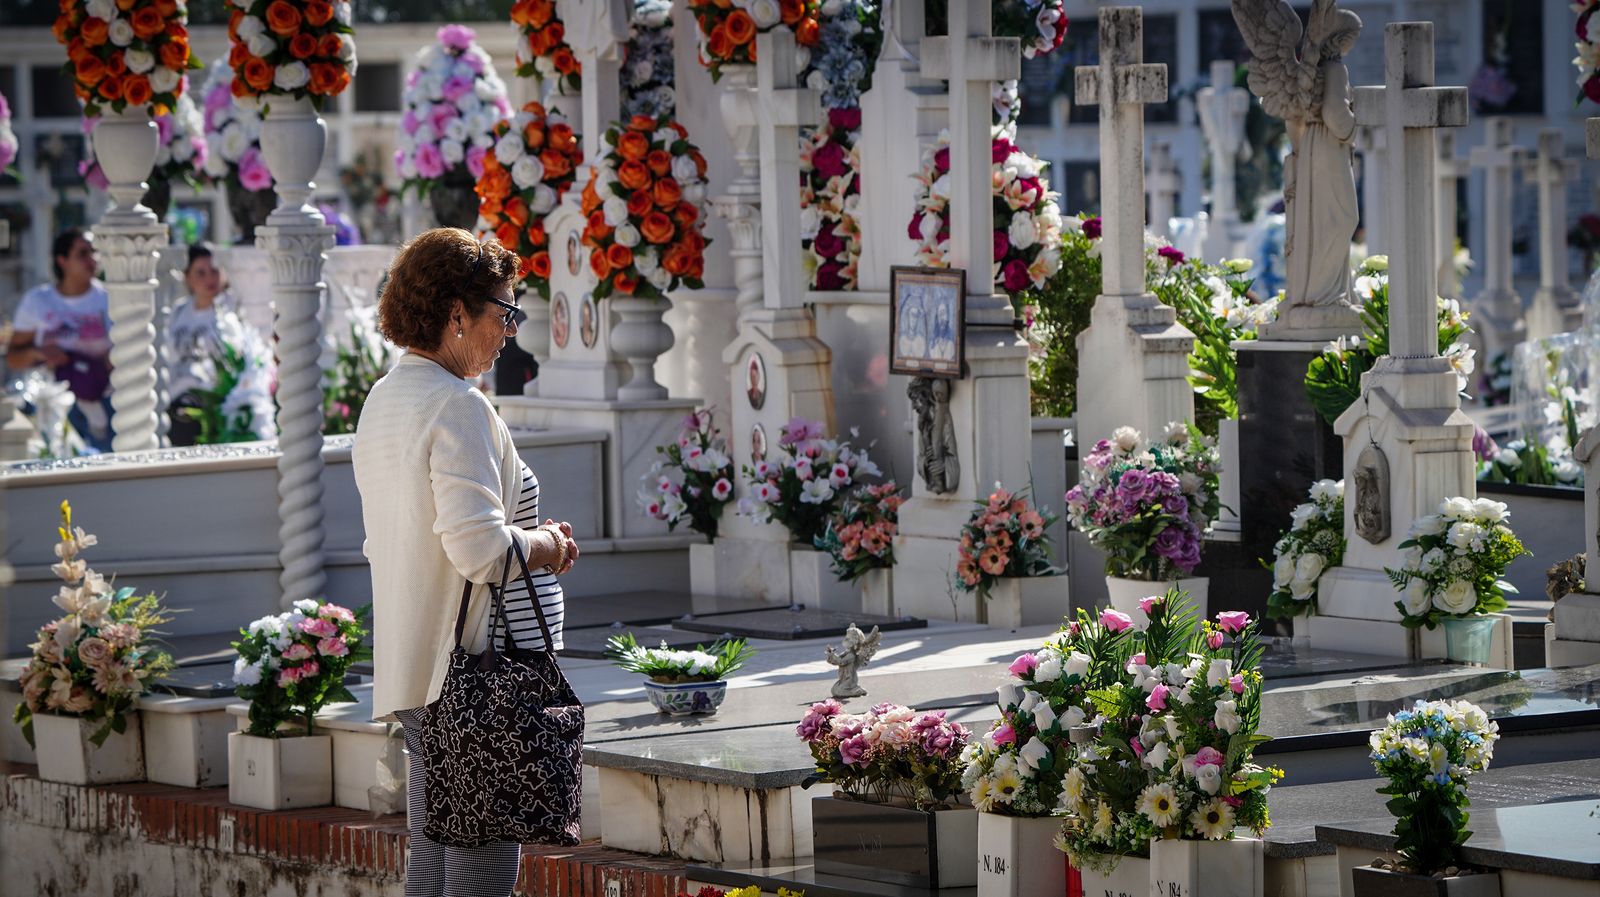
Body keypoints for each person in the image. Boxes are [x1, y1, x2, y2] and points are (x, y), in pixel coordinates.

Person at [352, 228, 581, 897]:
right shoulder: (459, 407)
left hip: (418, 666)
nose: (509, 331)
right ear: (457, 313)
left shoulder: (386, 398)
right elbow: (479, 548)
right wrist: (548, 545)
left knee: (431, 862)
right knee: (480, 876)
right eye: (503, 314)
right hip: (476, 672)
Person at [6, 228, 114, 452]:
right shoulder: (38, 301)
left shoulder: (108, 299)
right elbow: (13, 358)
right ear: (62, 260)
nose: (92, 259)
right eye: (82, 253)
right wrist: (40, 353)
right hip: (52, 404)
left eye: (93, 252)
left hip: (103, 401)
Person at [164, 244, 241, 446]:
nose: (209, 279)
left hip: (213, 404)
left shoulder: (231, 312)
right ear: (187, 277)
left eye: (214, 271)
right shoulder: (179, 311)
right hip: (177, 400)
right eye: (200, 273)